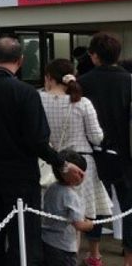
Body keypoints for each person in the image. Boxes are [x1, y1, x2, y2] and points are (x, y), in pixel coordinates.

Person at [0, 37, 83, 265]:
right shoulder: (26, 93)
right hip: (20, 174)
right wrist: (62, 164)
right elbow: (39, 140)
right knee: (24, 237)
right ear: (20, 60)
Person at [40, 59, 111, 234]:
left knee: (51, 214)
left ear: (48, 77)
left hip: (48, 162)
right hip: (81, 164)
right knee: (79, 217)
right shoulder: (82, 102)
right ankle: (80, 255)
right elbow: (96, 137)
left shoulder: (37, 98)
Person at [79, 32, 132, 266]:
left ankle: (95, 254)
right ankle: (129, 255)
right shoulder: (129, 80)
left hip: (95, 153)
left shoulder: (83, 82)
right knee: (129, 205)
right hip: (126, 153)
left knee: (97, 204)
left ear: (94, 55)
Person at [41, 150, 93, 266]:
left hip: (46, 240)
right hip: (63, 246)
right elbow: (79, 225)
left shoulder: (51, 188)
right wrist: (90, 225)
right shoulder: (71, 195)